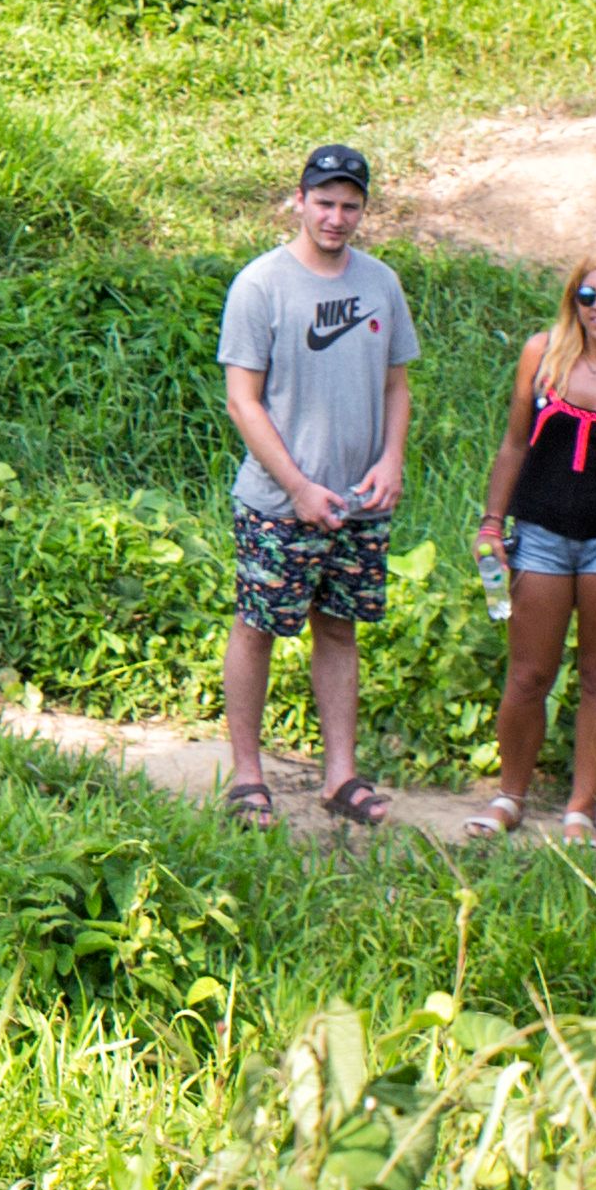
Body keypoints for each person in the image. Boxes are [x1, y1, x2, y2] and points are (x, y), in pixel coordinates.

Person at [218, 144, 415, 831]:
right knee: (258, 626)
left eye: (350, 205)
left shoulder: (381, 284)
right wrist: (298, 486)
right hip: (280, 501)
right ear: (298, 200)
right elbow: (243, 402)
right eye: (324, 203)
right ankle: (247, 775)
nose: (336, 217)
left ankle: (340, 776)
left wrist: (391, 460)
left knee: (339, 629)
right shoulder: (261, 285)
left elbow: (396, 384)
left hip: (359, 500)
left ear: (364, 209)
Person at [465, 249, 596, 840]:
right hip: (542, 537)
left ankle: (581, 807)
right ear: (572, 301)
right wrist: (490, 524)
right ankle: (510, 796)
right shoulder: (544, 354)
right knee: (529, 673)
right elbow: (514, 446)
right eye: (587, 296)